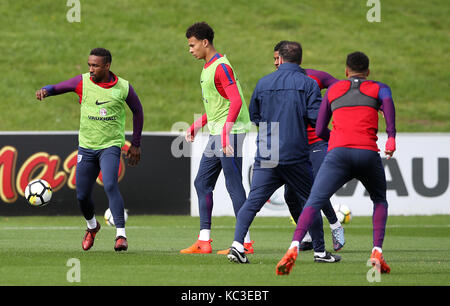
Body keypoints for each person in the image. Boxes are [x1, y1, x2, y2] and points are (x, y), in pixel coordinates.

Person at [276, 51, 396, 275]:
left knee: (313, 200)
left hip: (338, 153)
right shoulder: (381, 88)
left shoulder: (333, 90)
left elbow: (320, 129)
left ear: (346, 71)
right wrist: (391, 138)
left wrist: (339, 139)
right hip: (368, 153)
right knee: (379, 200)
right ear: (368, 72)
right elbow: (389, 112)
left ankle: (293, 247)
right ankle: (377, 251)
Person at [227, 41, 341, 264]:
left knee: (252, 202)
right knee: (311, 200)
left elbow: (255, 116)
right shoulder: (308, 84)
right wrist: (333, 138)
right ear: (299, 59)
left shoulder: (263, 82)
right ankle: (320, 252)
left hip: (267, 150)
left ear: (279, 58)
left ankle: (237, 245)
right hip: (294, 151)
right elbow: (316, 121)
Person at [35, 48, 144, 252]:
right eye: (89, 65)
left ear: (107, 66)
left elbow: (138, 111)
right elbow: (58, 87)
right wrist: (45, 90)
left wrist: (135, 143)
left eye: (95, 65)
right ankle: (92, 227)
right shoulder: (82, 82)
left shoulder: (123, 87)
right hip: (86, 146)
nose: (91, 69)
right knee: (82, 195)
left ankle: (121, 235)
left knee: (110, 184)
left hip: (110, 146)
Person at [181, 22, 253, 255]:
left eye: (192, 45)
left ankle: (245, 243)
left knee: (233, 185)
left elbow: (237, 101)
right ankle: (204, 241)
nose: (190, 49)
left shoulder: (221, 66)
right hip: (219, 132)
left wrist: (226, 132)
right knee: (202, 182)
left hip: (230, 133)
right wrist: (197, 124)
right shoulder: (207, 68)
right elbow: (219, 105)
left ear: (204, 43)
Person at [273, 41, 345, 252]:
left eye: (280, 58)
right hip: (294, 147)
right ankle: (308, 235)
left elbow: (340, 88)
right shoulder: (276, 82)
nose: (277, 63)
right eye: (275, 59)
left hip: (316, 143)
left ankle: (334, 224)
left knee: (314, 189)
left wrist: (323, 105)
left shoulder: (314, 76)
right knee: (289, 196)